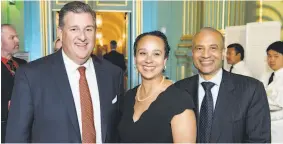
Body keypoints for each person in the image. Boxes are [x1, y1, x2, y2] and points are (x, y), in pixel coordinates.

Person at [5, 1, 124, 143]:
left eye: (88, 29)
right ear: (60, 33)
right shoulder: (31, 76)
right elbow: (16, 138)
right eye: (74, 29)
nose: (82, 37)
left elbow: (116, 131)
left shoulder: (113, 74)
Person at [174, 27, 271, 143]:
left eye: (213, 48)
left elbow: (259, 141)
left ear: (223, 52)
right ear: (193, 52)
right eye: (199, 48)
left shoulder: (251, 90)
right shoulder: (178, 90)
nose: (205, 55)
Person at [118, 31, 196, 143]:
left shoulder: (180, 101)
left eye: (156, 54)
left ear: (165, 60)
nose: (148, 60)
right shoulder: (129, 97)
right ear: (135, 59)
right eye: (143, 53)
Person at [1, 24, 27, 143]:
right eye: (12, 38)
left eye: (17, 37)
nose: (17, 40)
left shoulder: (23, 64)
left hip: (25, 127)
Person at [260, 41, 283, 143]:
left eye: (276, 56)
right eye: (269, 56)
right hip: (266, 124)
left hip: (279, 128)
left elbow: (279, 103)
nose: (271, 59)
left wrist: (257, 103)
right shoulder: (266, 75)